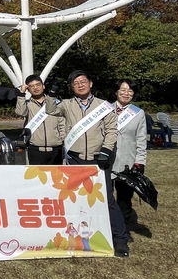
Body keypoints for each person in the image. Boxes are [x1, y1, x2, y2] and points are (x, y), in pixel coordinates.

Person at [45, 70, 130, 257]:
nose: (80, 84)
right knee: (75, 200)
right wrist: (51, 94)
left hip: (99, 159)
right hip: (75, 159)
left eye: (83, 81)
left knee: (107, 199)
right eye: (76, 83)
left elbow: (111, 130)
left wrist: (106, 151)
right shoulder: (66, 105)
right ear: (72, 87)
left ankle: (120, 240)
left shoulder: (104, 105)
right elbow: (50, 110)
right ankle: (76, 237)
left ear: (90, 83)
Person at [111, 80, 147, 232]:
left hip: (127, 161)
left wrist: (140, 162)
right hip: (107, 160)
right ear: (116, 91)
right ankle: (108, 225)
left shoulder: (138, 113)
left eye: (130, 91)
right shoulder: (104, 109)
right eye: (123, 89)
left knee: (124, 198)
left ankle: (122, 228)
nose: (126, 93)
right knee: (105, 196)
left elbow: (141, 139)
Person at [16, 74, 65, 164]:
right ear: (28, 89)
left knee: (55, 177)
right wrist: (21, 94)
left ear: (43, 86)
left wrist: (61, 139)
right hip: (35, 149)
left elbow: (62, 123)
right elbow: (20, 112)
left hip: (56, 148)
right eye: (31, 86)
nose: (35, 88)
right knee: (36, 177)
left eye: (38, 85)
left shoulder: (55, 102)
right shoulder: (27, 104)